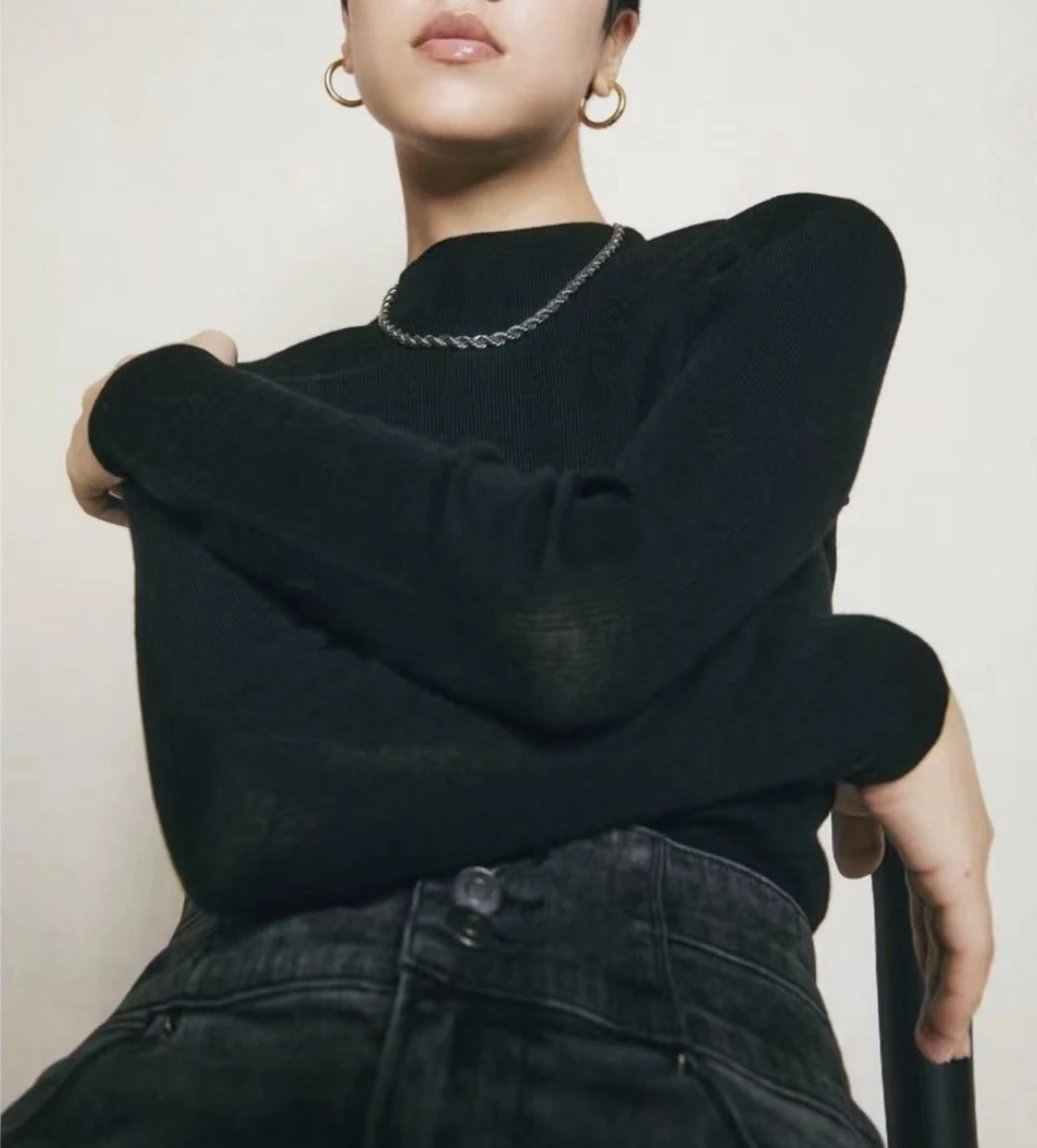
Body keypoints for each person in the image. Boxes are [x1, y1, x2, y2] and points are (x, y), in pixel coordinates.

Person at [5, 1, 994, 1144]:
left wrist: (151, 409)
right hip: (219, 1055)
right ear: (345, 28)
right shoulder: (234, 416)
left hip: (678, 1058)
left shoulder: (788, 267)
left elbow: (578, 625)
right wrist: (848, 693)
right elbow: (254, 817)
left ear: (612, 42)